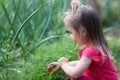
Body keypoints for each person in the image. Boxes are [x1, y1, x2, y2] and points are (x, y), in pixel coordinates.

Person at [47, 0, 119, 80]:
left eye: (71, 32)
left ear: (83, 32)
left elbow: (75, 74)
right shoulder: (95, 47)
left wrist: (64, 65)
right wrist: (61, 64)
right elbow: (81, 64)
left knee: (76, 78)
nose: (70, 36)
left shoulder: (91, 50)